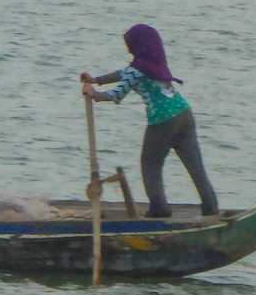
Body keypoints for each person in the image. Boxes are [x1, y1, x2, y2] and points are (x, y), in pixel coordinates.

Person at [82, 24, 219, 218]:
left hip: (163, 120)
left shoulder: (137, 69)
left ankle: (159, 208)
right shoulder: (155, 63)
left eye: (130, 45)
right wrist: (96, 79)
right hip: (184, 113)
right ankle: (211, 206)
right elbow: (124, 73)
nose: (129, 49)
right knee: (194, 164)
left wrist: (94, 94)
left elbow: (117, 94)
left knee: (150, 163)